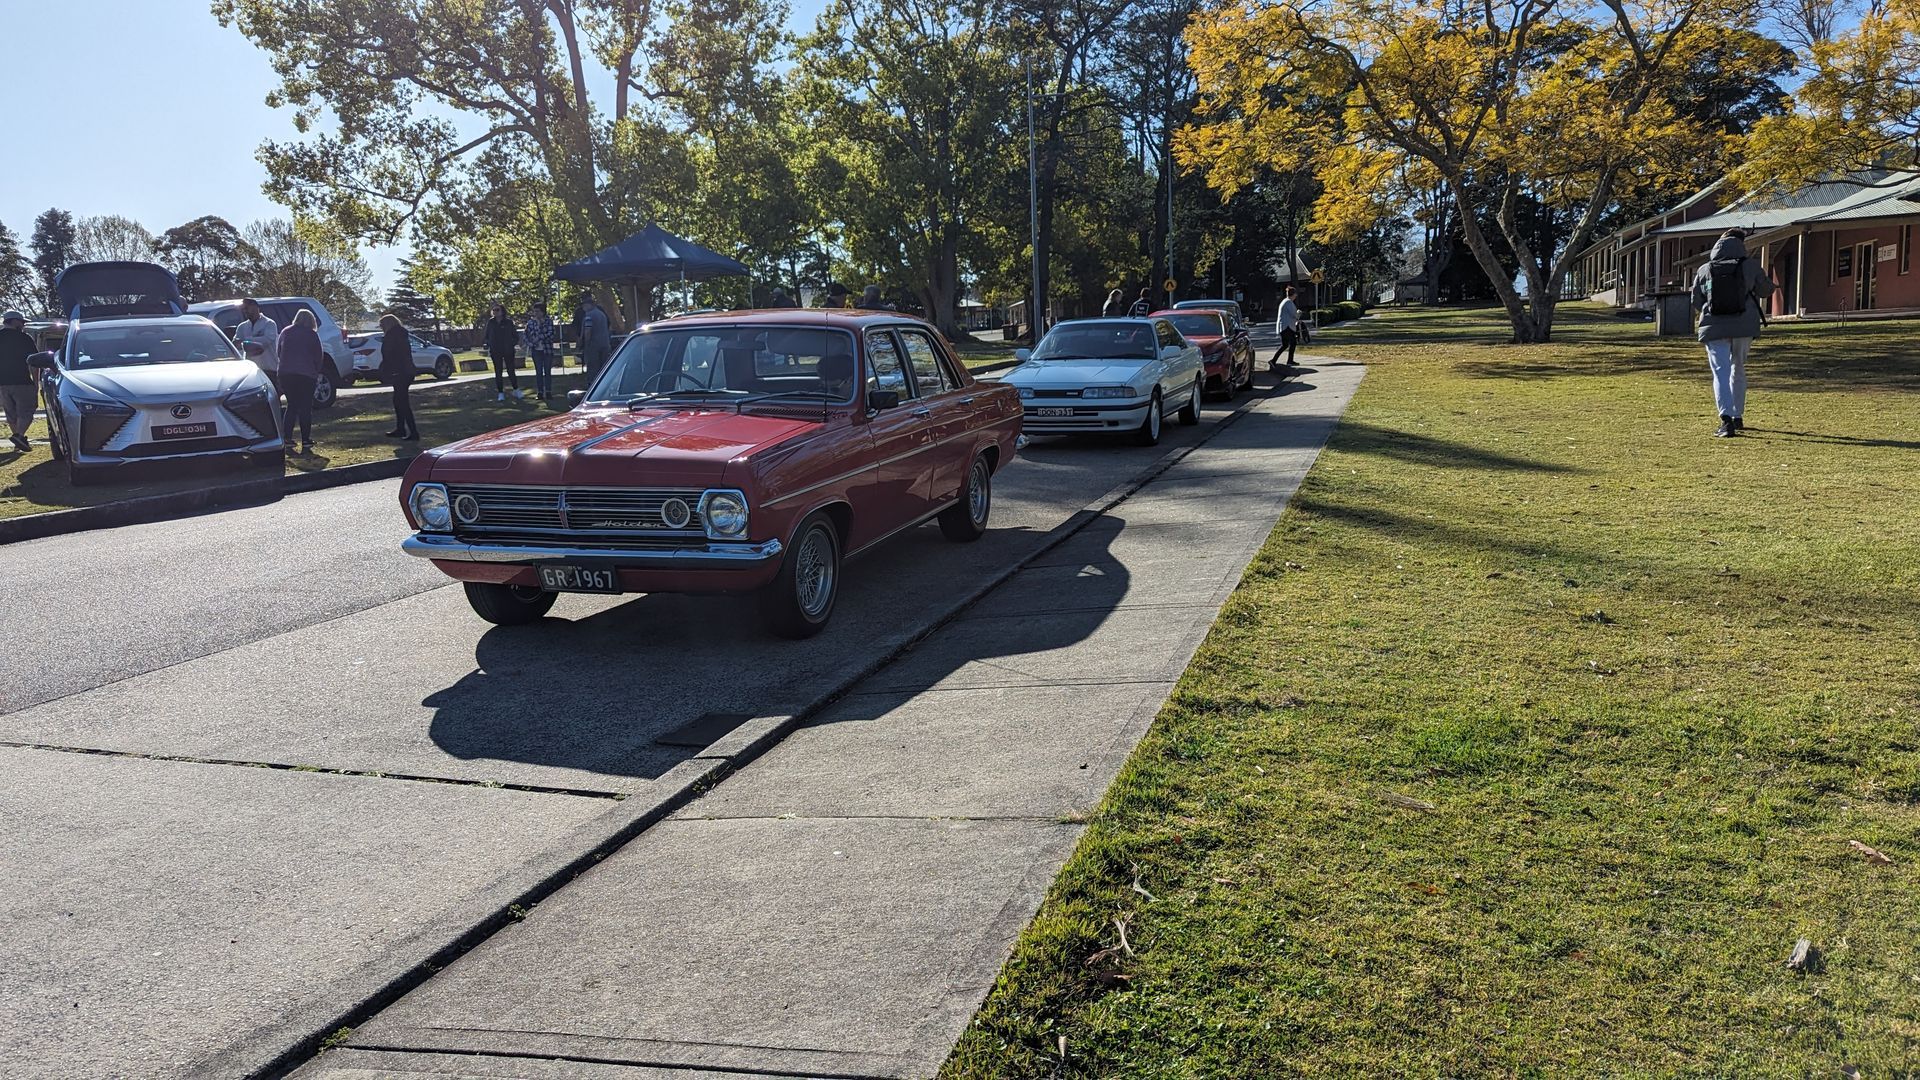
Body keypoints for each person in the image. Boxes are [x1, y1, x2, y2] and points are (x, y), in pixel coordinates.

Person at [1691, 228, 1775, 437]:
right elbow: (1766, 290)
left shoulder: (1704, 269)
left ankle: (1725, 419)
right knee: (1738, 369)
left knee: (1721, 372)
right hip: (1743, 326)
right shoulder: (1751, 266)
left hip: (1714, 327)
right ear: (1741, 243)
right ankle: (1738, 416)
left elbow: (1696, 300)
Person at [275, 309, 325, 454]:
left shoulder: (285, 332)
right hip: (306, 374)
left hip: (286, 373)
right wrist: (316, 370)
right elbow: (318, 355)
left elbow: (279, 352)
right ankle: (306, 439)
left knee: (292, 405)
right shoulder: (311, 334)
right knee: (305, 407)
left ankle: (287, 437)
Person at [379, 313, 419, 440]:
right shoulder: (401, 335)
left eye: (381, 325)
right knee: (398, 401)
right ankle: (401, 428)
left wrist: (388, 370)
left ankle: (413, 432)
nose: (381, 328)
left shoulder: (392, 336)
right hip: (406, 371)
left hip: (400, 372)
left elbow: (390, 355)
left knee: (402, 402)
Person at [1, 311, 37, 453]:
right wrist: (36, 382)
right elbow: (33, 362)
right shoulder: (24, 338)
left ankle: (18, 442)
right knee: (26, 411)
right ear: (14, 321)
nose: (23, 325)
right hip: (22, 381)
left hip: (2, 383)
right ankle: (20, 436)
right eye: (22, 322)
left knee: (11, 413)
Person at [233, 298, 279, 380]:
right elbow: (236, 344)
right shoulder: (242, 326)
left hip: (268, 369)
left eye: (246, 308)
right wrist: (241, 343)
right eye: (243, 309)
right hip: (250, 371)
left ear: (255, 307)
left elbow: (266, 340)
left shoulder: (269, 323)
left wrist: (245, 341)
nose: (244, 311)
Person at [484, 303, 521, 401]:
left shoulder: (508, 322)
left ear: (502, 311)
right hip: (495, 351)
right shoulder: (491, 322)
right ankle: (500, 393)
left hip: (508, 351)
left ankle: (516, 389)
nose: (495, 312)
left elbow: (515, 336)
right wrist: (489, 344)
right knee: (498, 371)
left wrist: (511, 344)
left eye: (497, 310)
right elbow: (487, 336)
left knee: (511, 371)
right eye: (494, 310)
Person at [523, 301, 557, 400]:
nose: (535, 313)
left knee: (547, 371)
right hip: (536, 351)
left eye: (537, 311)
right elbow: (525, 335)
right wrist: (531, 343)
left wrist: (539, 337)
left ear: (543, 312)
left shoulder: (548, 321)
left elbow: (551, 334)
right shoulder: (530, 323)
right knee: (538, 372)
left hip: (547, 350)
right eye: (534, 311)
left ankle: (548, 392)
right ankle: (540, 392)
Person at [579, 296, 612, 381]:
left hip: (593, 345)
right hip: (605, 344)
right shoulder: (602, 314)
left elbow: (588, 330)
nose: (583, 308)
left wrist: (586, 343)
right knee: (604, 367)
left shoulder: (589, 315)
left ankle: (593, 384)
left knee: (593, 368)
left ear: (589, 305)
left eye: (584, 305)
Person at [1273, 285, 1300, 370]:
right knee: (1293, 343)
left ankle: (1274, 361)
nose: (1296, 295)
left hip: (1284, 326)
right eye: (1295, 294)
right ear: (1293, 294)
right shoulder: (1289, 302)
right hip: (1287, 327)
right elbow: (1294, 314)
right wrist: (1299, 313)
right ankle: (1289, 361)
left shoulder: (1285, 301)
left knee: (1285, 345)